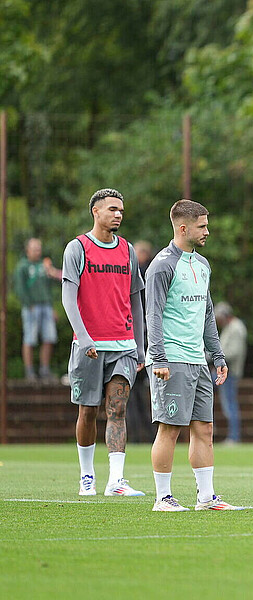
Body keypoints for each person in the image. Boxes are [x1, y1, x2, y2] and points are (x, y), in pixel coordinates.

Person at [146, 199, 240, 511]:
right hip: (171, 359)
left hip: (198, 360)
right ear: (183, 228)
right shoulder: (162, 265)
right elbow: (153, 315)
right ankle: (163, 498)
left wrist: (217, 355)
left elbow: (207, 312)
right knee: (170, 428)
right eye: (202, 226)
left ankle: (206, 497)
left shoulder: (202, 265)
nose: (207, 231)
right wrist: (157, 358)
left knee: (205, 429)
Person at [61, 188, 146, 497]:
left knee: (117, 409)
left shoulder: (128, 250)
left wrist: (140, 342)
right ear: (95, 212)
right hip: (90, 347)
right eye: (112, 209)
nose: (118, 214)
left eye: (121, 209)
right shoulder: (78, 248)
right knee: (87, 411)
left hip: (123, 344)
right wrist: (83, 338)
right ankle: (87, 475)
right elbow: (69, 297)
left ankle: (116, 481)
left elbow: (135, 297)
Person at [14, 238, 61, 382]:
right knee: (30, 339)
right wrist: (29, 304)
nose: (37, 252)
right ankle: (29, 372)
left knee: (49, 337)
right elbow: (19, 288)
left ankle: (44, 370)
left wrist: (51, 306)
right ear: (27, 250)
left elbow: (48, 287)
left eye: (39, 249)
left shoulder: (44, 265)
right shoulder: (22, 266)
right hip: (31, 307)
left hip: (46, 305)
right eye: (34, 249)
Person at [125, 240, 157, 442]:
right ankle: (143, 430)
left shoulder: (142, 273)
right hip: (143, 336)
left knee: (135, 392)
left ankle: (138, 432)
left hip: (141, 337)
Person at [215, 301, 247, 444]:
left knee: (230, 404)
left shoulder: (236, 328)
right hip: (224, 371)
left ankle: (234, 436)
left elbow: (234, 352)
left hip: (230, 372)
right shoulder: (230, 327)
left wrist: (215, 357)